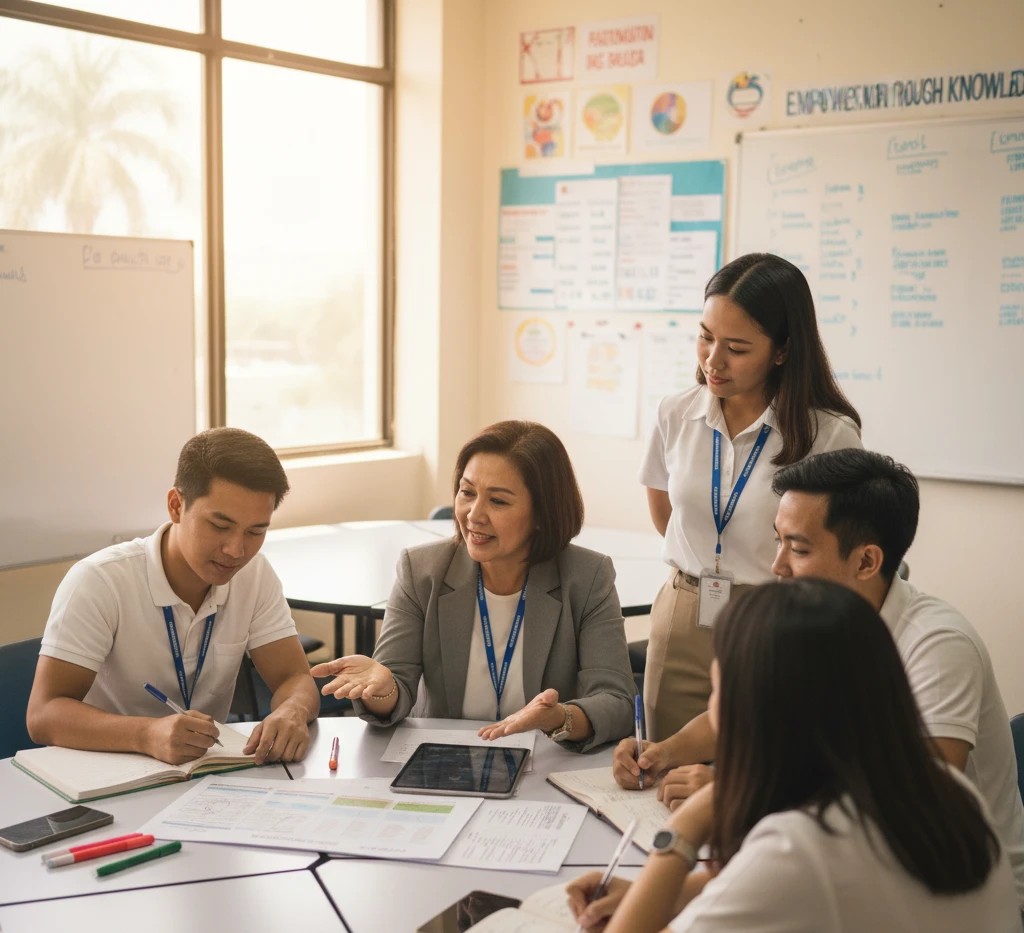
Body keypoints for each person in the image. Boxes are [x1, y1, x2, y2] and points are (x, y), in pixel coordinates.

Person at [617, 449, 1024, 908]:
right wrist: (663, 752)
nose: (778, 567)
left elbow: (916, 798)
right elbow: (742, 709)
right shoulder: (822, 627)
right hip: (860, 866)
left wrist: (739, 794)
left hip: (948, 886)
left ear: (867, 562)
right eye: (778, 542)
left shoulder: (939, 644)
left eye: (799, 549)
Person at [569, 580, 1020, 933]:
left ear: (751, 706)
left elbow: (791, 876)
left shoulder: (800, 847)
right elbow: (787, 887)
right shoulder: (946, 790)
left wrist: (685, 830)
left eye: (717, 689)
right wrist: (659, 895)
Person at [638, 253, 862, 740]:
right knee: (666, 772)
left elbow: (834, 553)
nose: (713, 360)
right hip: (685, 613)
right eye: (705, 336)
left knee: (756, 782)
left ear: (782, 350)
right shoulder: (675, 413)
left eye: (736, 348)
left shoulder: (828, 435)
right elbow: (664, 511)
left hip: (778, 621)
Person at [310, 421, 636, 751]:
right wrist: (382, 689)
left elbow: (617, 701)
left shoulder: (586, 576)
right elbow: (395, 690)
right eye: (467, 493)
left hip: (545, 761)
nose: (474, 515)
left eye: (498, 501)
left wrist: (556, 718)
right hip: (441, 757)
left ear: (542, 513)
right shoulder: (422, 571)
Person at [27, 428, 320, 766]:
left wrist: (292, 711)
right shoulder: (100, 580)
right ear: (176, 505)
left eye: (256, 531)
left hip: (201, 773)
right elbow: (44, 714)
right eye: (220, 526)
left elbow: (293, 678)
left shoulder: (254, 575)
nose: (236, 550)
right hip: (104, 773)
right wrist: (146, 735)